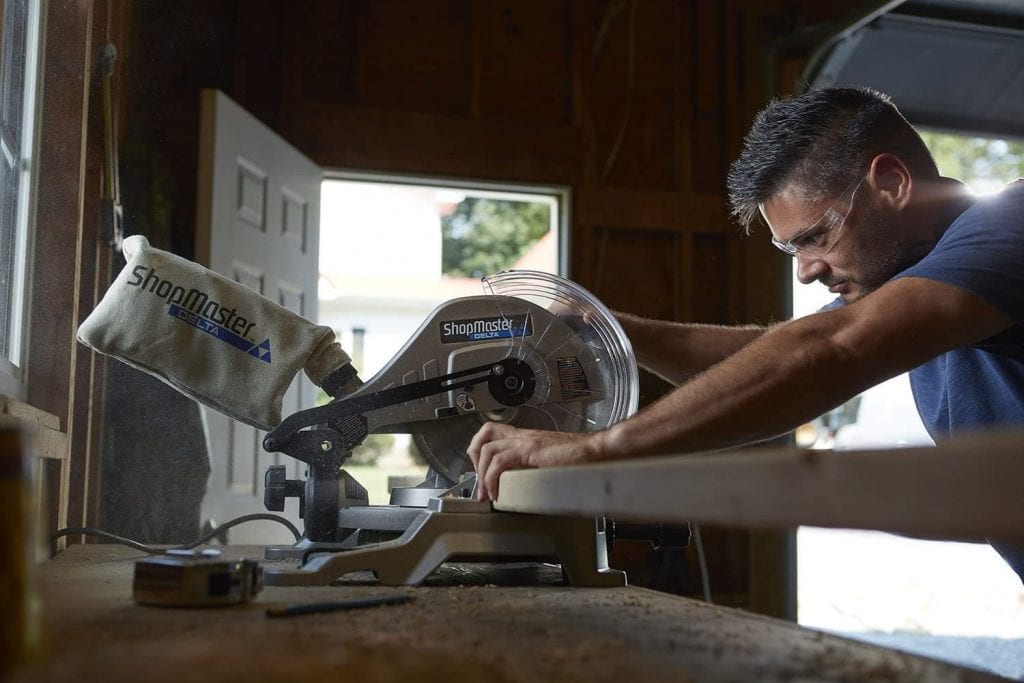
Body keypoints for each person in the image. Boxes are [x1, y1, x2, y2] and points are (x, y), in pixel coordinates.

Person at [467, 86, 1024, 580]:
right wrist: (599, 330)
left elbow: (827, 351)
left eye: (816, 236)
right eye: (791, 250)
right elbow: (760, 358)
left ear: (892, 182)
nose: (806, 270)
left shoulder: (1011, 224)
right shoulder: (919, 283)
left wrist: (598, 449)